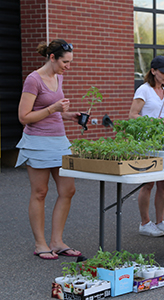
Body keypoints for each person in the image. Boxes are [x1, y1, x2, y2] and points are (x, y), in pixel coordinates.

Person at [16, 39, 82, 260]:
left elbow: (51, 109)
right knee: (40, 192)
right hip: (37, 142)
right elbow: (24, 117)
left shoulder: (58, 76)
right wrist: (53, 108)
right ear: (52, 57)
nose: (68, 66)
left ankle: (57, 241)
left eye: (70, 62)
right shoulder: (33, 80)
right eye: (65, 62)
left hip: (59, 140)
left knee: (68, 190)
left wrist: (66, 115)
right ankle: (41, 243)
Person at [129, 55, 164, 237]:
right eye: (163, 72)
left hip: (163, 141)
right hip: (146, 142)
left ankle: (160, 222)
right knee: (148, 182)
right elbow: (133, 115)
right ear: (153, 71)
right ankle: (145, 223)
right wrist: (152, 123)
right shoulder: (143, 90)